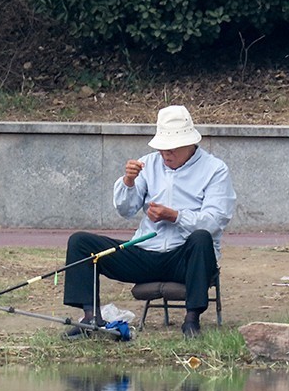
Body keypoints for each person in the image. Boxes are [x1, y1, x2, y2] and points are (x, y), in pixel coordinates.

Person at [63, 105, 237, 338]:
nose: (167, 154)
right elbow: (125, 209)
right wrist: (128, 182)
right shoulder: (148, 164)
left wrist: (174, 216)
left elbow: (214, 221)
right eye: (163, 148)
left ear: (190, 144)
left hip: (186, 258)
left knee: (201, 237)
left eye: (173, 148)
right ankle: (91, 317)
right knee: (80, 242)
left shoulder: (215, 169)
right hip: (146, 251)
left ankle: (192, 320)